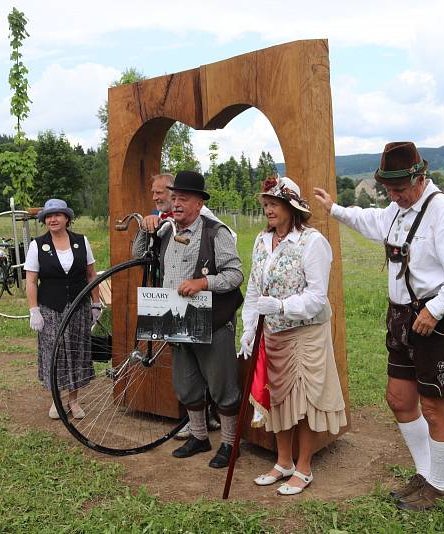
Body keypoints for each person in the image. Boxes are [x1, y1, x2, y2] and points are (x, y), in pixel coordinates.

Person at [313, 142, 444, 511]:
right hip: (400, 318)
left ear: (420, 177)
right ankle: (425, 474)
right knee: (398, 399)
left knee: (433, 407)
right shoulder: (396, 211)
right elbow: (370, 220)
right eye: (389, 191)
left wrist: (437, 308)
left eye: (399, 190)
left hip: (437, 321)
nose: (393, 198)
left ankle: (437, 486)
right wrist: (334, 209)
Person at [239, 176, 346, 495]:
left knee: (306, 402)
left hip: (306, 333)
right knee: (280, 398)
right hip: (272, 333)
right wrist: (248, 325)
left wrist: (282, 306)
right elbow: (255, 289)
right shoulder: (261, 241)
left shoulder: (311, 242)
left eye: (274, 204)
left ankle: (304, 467)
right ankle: (283, 461)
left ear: (291, 206)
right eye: (266, 204)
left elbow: (317, 296)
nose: (268, 210)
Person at [133, 170, 245, 469]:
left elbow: (235, 274)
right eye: (175, 198)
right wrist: (146, 229)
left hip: (213, 320)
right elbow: (139, 255)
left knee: (222, 385)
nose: (177, 203)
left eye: (184, 199)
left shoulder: (214, 232)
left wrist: (203, 283)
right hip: (175, 317)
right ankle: (199, 436)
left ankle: (230, 444)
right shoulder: (167, 230)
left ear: (198, 203)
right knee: (186, 384)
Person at [24, 199, 101, 420]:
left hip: (78, 307)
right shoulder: (37, 245)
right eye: (48, 216)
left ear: (66, 218)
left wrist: (95, 303)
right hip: (50, 308)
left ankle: (73, 401)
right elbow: (31, 281)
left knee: (76, 352)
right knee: (54, 353)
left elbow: (91, 275)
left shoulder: (80, 241)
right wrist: (33, 310)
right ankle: (56, 400)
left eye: (57, 215)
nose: (52, 219)